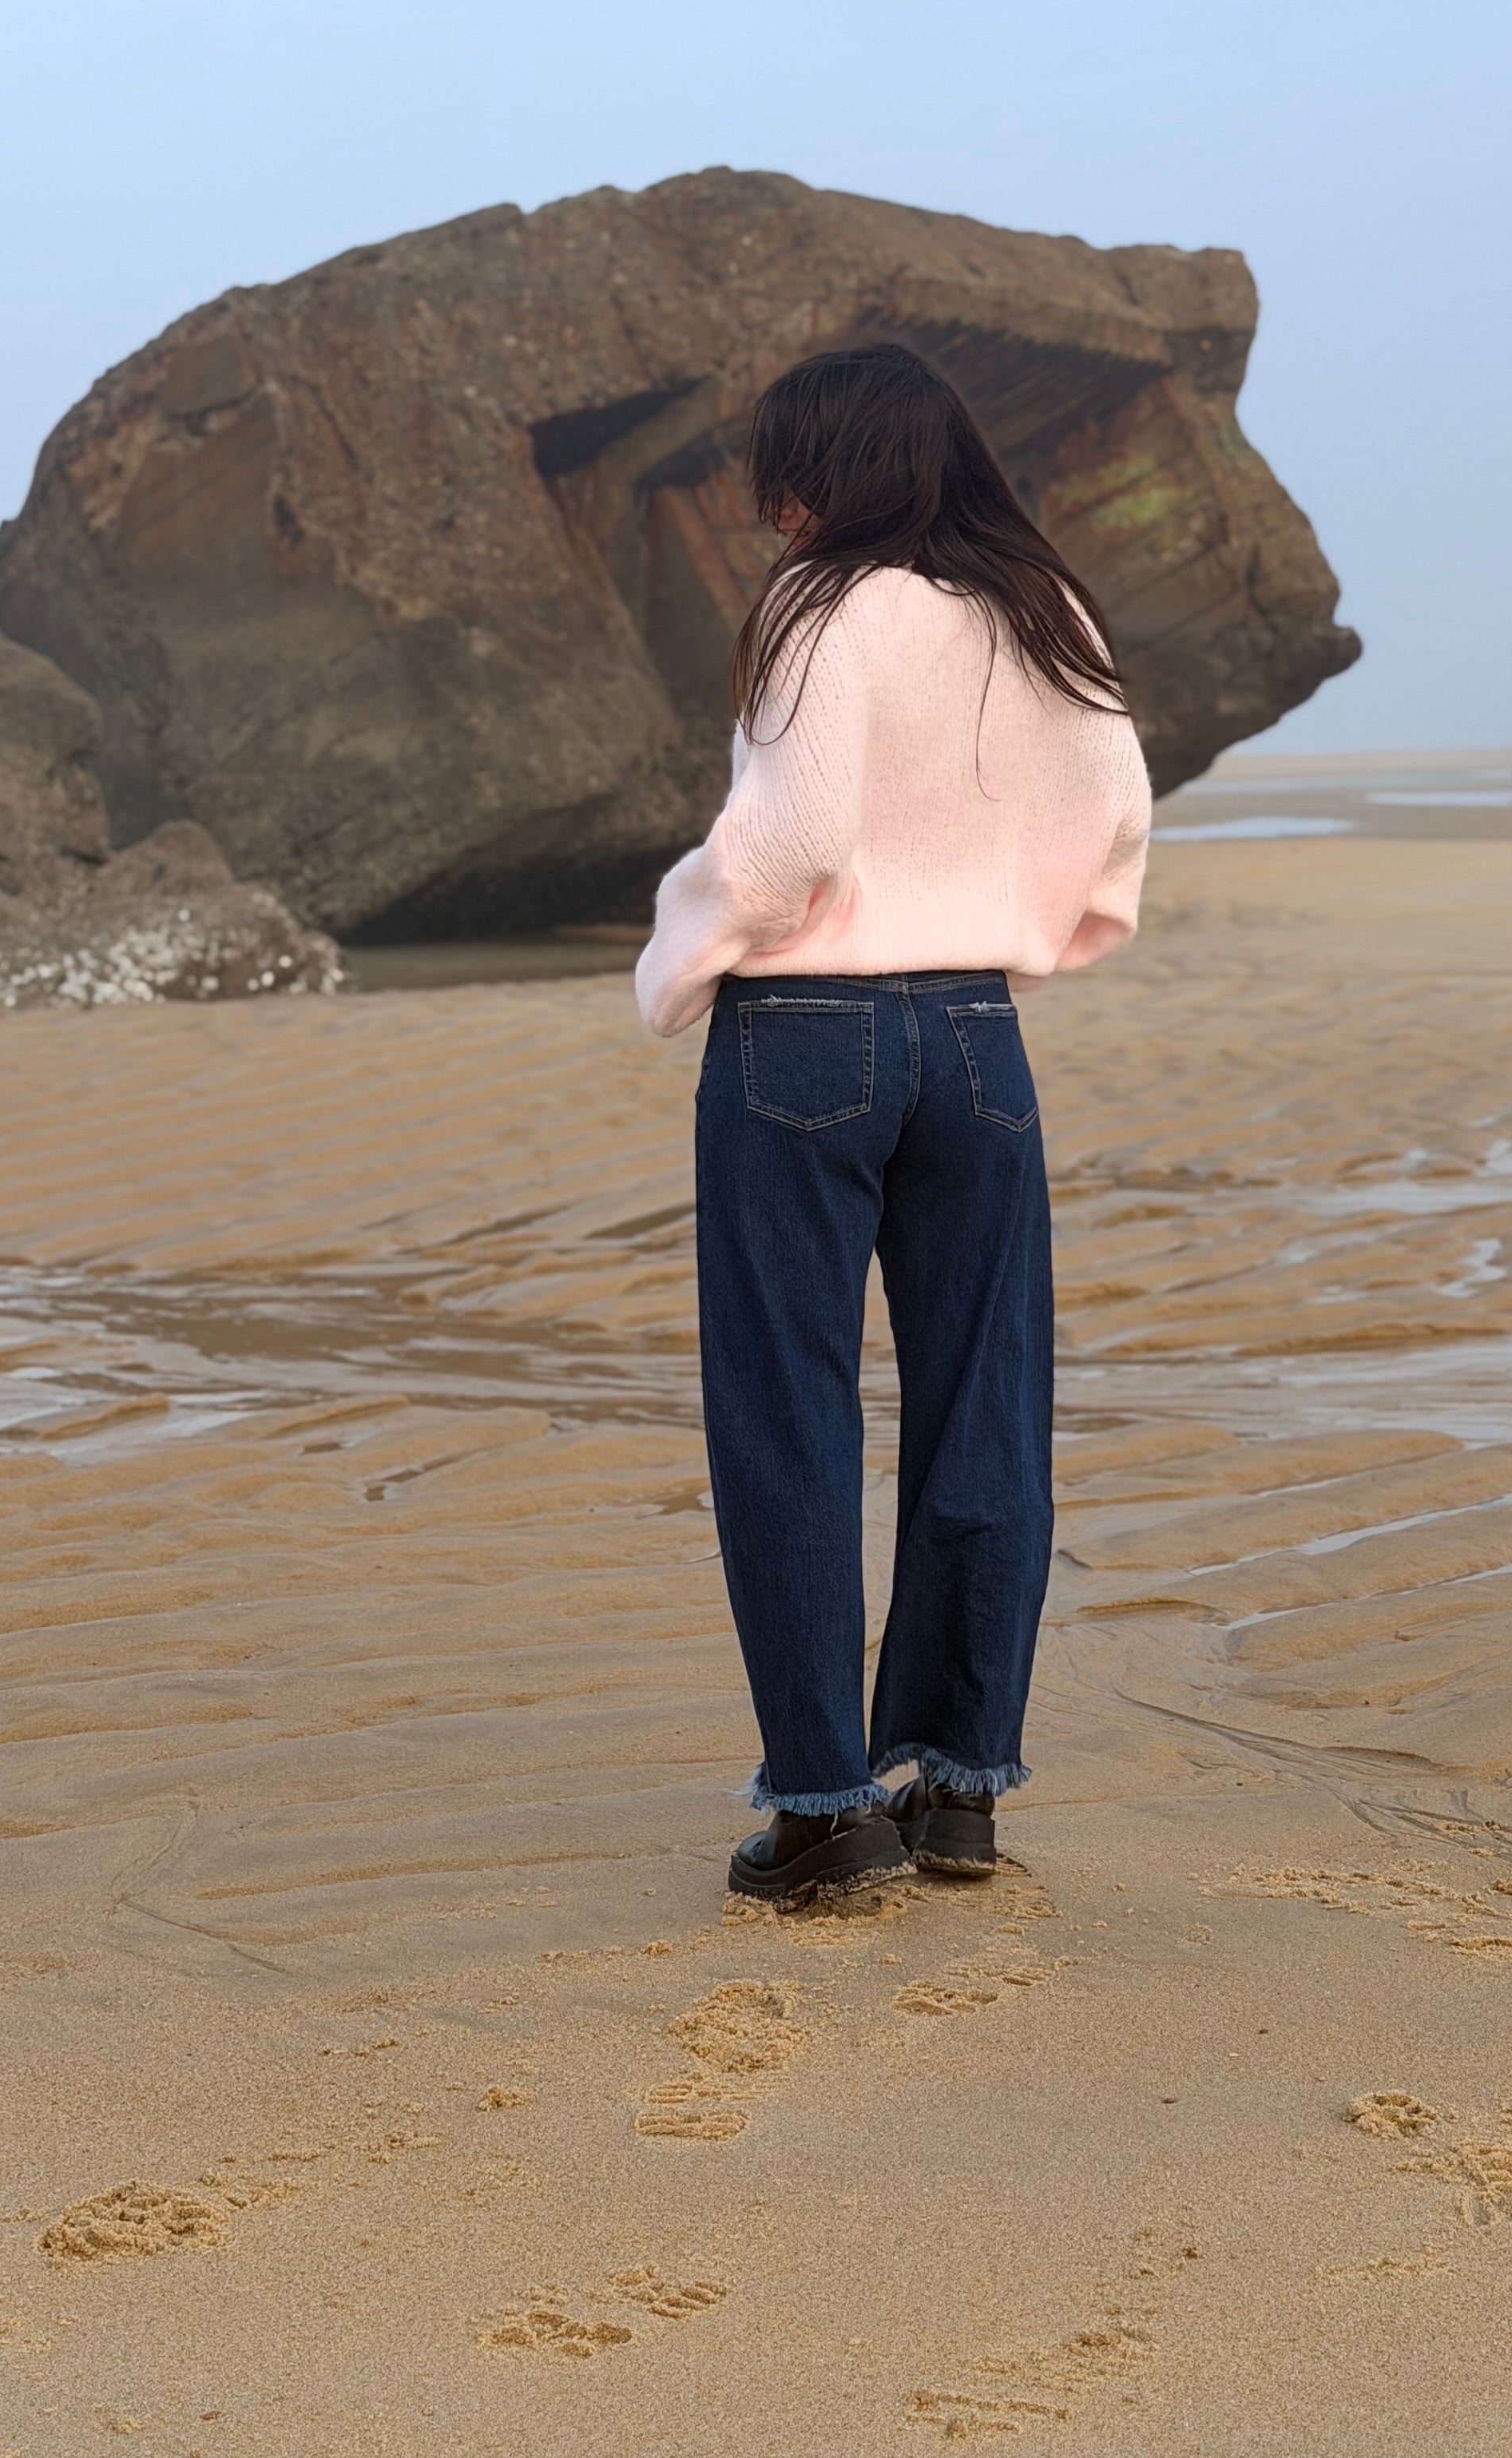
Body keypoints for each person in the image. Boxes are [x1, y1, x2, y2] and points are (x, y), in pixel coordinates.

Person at [634, 342, 1153, 1901]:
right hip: (978, 1037)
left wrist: (679, 952)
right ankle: (961, 1790)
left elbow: (791, 838)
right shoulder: (1039, 610)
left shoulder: (820, 605)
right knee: (987, 1400)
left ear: (829, 471)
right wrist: (1023, 935)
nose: (773, 507)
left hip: (805, 1035)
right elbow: (1117, 810)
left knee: (789, 1412)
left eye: (784, 473)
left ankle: (822, 1808)